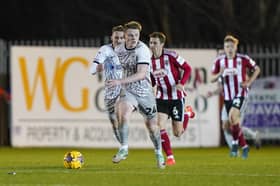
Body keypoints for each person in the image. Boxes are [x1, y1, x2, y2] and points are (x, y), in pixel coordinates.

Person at [106, 21, 165, 169]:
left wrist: (119, 81)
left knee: (152, 128)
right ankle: (124, 148)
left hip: (145, 93)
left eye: (136, 35)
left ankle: (158, 152)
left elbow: (141, 74)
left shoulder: (142, 50)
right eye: (130, 35)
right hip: (128, 91)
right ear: (125, 36)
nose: (134, 38)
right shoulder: (119, 50)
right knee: (123, 112)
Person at [148, 32, 195, 166]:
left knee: (178, 133)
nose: (152, 45)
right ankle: (170, 157)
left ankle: (187, 113)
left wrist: (182, 83)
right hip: (161, 98)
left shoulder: (171, 55)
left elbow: (187, 68)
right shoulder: (149, 61)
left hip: (176, 98)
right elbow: (152, 79)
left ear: (162, 44)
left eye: (155, 43)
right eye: (151, 42)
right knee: (158, 126)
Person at [211, 35, 260, 159]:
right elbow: (211, 78)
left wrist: (249, 83)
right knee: (228, 125)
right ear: (224, 47)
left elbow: (257, 69)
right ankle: (244, 146)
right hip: (227, 97)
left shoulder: (243, 59)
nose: (229, 49)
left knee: (233, 117)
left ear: (236, 47)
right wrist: (219, 74)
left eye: (232, 46)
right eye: (227, 46)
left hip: (241, 94)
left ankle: (234, 145)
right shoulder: (219, 61)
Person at [90, 25, 125, 144]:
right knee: (114, 121)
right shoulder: (105, 50)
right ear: (112, 37)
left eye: (121, 37)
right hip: (111, 90)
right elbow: (92, 69)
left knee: (122, 112)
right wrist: (102, 66)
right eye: (116, 37)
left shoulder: (131, 51)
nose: (119, 40)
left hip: (126, 87)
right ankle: (122, 144)